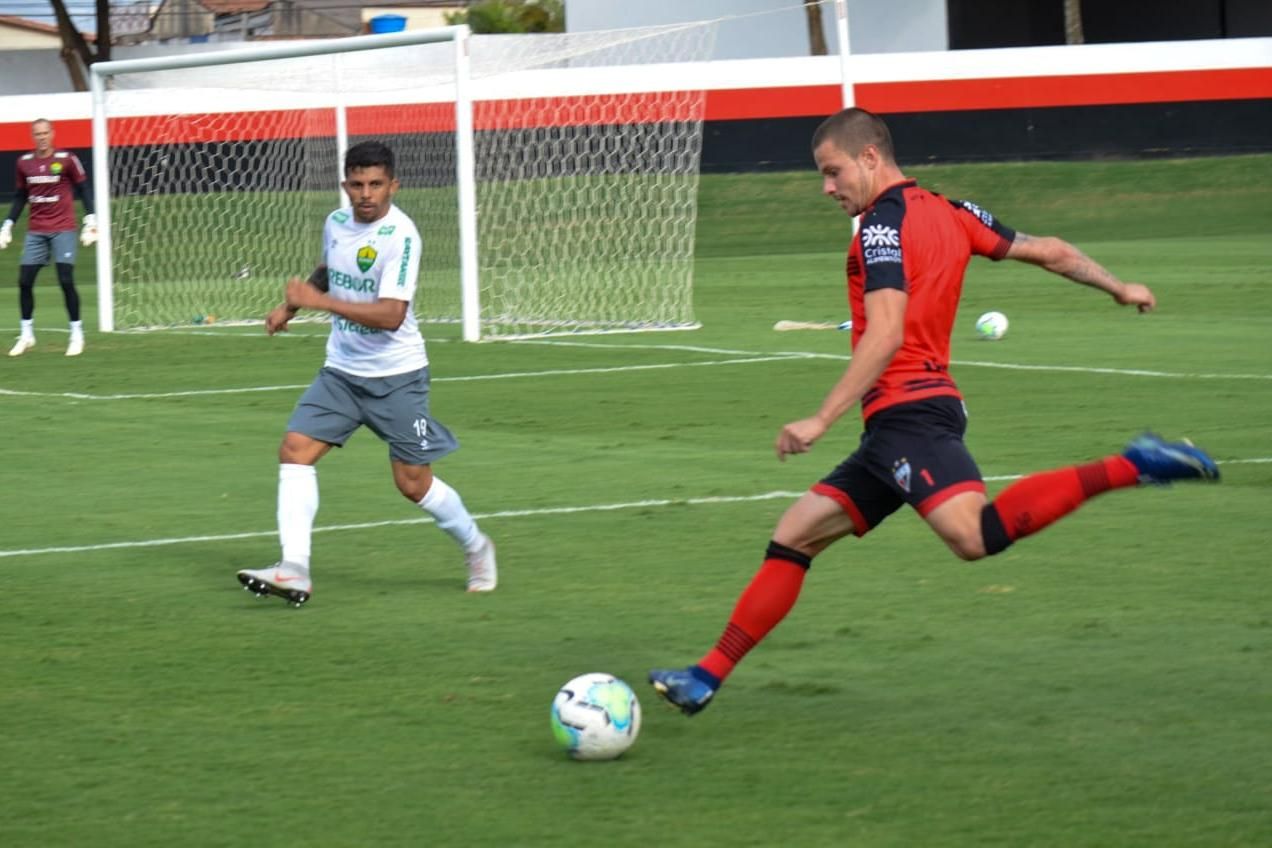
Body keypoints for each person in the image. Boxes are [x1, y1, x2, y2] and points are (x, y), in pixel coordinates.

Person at [648, 107, 1220, 715]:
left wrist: (820, 418)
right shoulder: (954, 211)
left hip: (911, 414)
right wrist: (1118, 285)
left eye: (832, 171)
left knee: (974, 536)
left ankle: (1134, 464)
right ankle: (704, 678)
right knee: (794, 537)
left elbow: (887, 331)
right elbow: (1049, 251)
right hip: (899, 423)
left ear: (870, 157)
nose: (827, 187)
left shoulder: (879, 227)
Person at [236, 140, 496, 607]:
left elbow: (391, 315)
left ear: (393, 185)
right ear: (345, 186)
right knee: (295, 450)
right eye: (356, 185)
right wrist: (291, 306)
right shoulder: (335, 224)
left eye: (376, 184)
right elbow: (327, 271)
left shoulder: (403, 236)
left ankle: (476, 546)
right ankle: (293, 568)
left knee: (412, 483)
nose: (366, 194)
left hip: (398, 377)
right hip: (341, 372)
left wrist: (319, 304)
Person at [1, 118, 96, 357]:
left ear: (52, 134)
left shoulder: (66, 159)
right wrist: (8, 225)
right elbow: (21, 195)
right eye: (37, 134)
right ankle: (26, 334)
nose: (42, 137)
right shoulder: (24, 163)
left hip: (63, 227)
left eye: (45, 133)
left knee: (65, 279)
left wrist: (91, 219)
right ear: (33, 136)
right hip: (36, 229)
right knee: (24, 281)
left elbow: (83, 188)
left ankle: (76, 334)